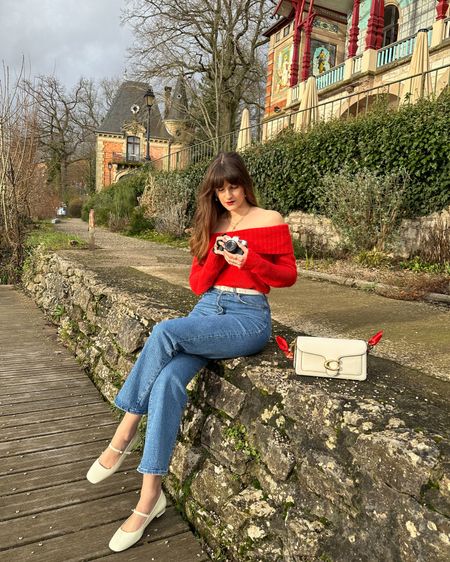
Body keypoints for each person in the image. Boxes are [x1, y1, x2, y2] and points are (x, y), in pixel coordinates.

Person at [86, 151, 297, 552]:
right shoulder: (211, 223)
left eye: (233, 185)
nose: (228, 195)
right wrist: (218, 258)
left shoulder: (270, 220)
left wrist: (250, 260)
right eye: (219, 189)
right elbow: (199, 285)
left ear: (244, 183)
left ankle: (123, 434)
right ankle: (150, 497)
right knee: (166, 380)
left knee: (165, 331)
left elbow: (287, 276)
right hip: (208, 309)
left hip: (248, 317)